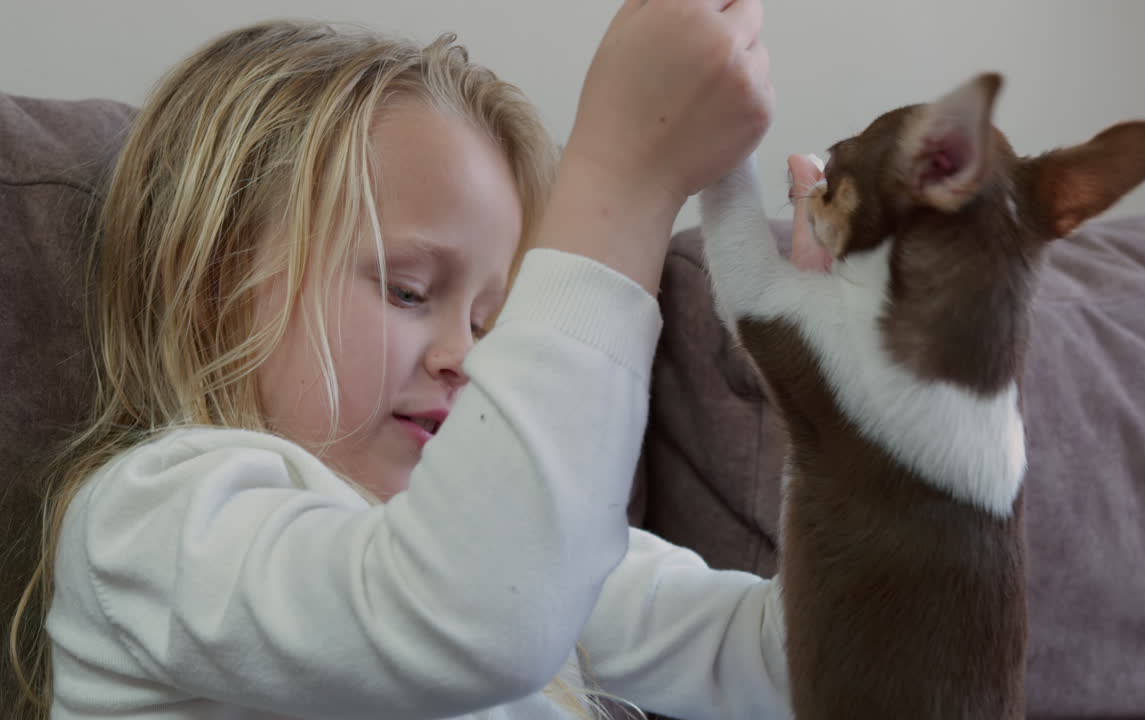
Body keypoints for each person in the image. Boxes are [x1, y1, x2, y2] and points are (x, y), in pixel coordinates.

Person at [7, 2, 806, 719]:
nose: (470, 359)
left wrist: (852, 401)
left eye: (495, 324)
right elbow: (476, 615)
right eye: (409, 291)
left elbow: (797, 665)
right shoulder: (156, 521)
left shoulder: (516, 536)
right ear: (213, 285)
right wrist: (622, 181)